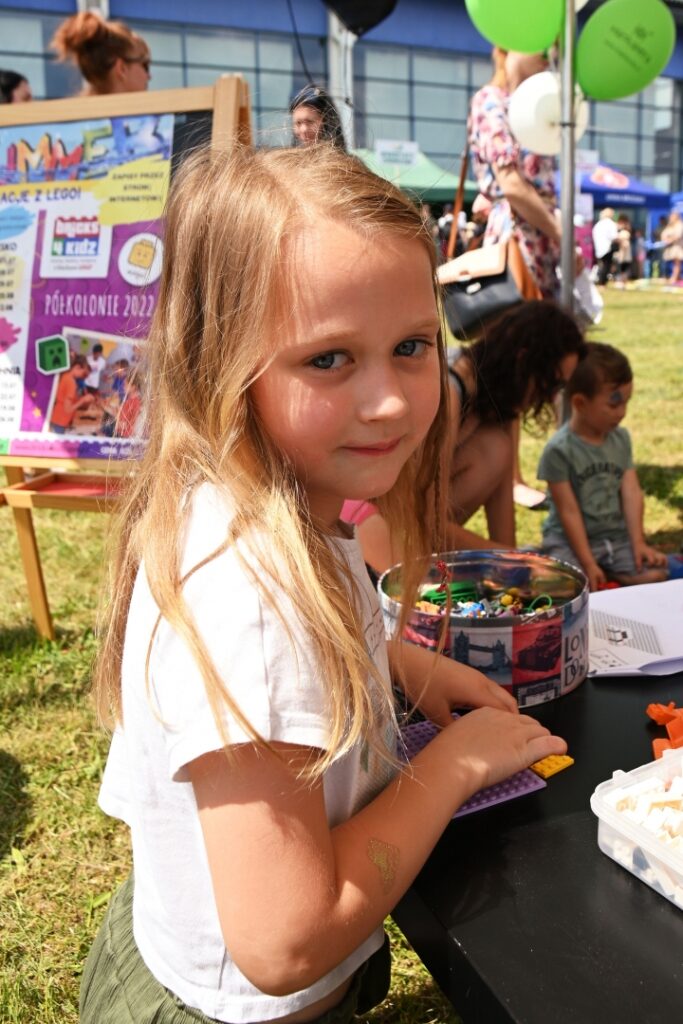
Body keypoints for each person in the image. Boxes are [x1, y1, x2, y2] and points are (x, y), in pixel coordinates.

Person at [80, 145, 565, 1024]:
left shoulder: (268, 499)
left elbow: (311, 644)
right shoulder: (251, 598)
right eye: (329, 359)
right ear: (222, 363)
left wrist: (402, 664)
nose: (390, 401)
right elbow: (286, 944)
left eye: (411, 346)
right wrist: (453, 764)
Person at [341, 300, 587, 575]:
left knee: (497, 448)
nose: (550, 397)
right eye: (552, 383)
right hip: (369, 520)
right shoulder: (450, 392)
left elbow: (503, 519)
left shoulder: (503, 400)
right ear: (523, 360)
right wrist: (514, 559)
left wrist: (514, 565)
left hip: (411, 523)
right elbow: (427, 521)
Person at [538, 342, 668, 591]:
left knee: (657, 573)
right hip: (568, 540)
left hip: (613, 539)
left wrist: (638, 543)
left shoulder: (621, 439)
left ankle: (612, 573)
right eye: (614, 404)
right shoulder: (558, 450)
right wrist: (588, 562)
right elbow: (568, 511)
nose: (622, 412)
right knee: (565, 585)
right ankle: (599, 572)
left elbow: (631, 492)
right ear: (580, 403)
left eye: (627, 402)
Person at [50, 10, 151, 95]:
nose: (149, 76)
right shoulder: (154, 112)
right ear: (122, 68)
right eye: (145, 65)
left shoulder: (74, 112)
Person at [289, 83, 346, 150]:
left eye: (310, 122)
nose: (304, 129)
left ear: (325, 121)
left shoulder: (338, 156)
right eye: (298, 123)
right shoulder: (286, 155)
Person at [49, 354, 94, 433]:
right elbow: (68, 409)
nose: (82, 375)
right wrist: (83, 400)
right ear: (77, 367)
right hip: (61, 420)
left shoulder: (65, 376)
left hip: (56, 417)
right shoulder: (71, 383)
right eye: (83, 372)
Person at [592, 208, 618, 286]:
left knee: (601, 265)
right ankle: (602, 282)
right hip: (607, 247)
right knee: (606, 266)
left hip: (598, 248)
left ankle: (600, 281)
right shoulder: (611, 224)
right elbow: (614, 236)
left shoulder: (598, 224)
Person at [661, 210, 683, 284]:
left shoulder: (680, 225)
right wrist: (666, 239)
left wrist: (670, 239)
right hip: (670, 247)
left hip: (678, 247)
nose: (671, 217)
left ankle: (674, 278)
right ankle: (676, 277)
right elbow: (664, 234)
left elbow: (678, 235)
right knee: (674, 263)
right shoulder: (670, 225)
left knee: (677, 263)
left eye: (672, 216)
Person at [615, 215, 632, 286]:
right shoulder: (623, 232)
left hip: (624, 255)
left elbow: (625, 244)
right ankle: (622, 282)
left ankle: (622, 282)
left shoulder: (624, 233)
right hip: (623, 254)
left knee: (623, 268)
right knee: (623, 268)